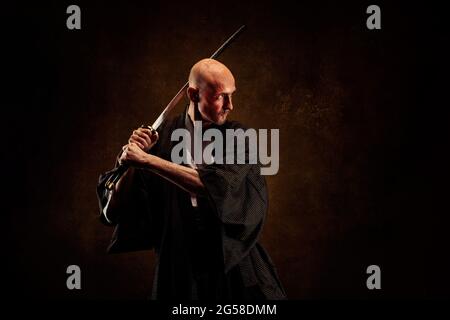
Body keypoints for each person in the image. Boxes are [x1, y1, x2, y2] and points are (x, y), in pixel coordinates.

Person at [97, 58, 286, 300]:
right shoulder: (160, 138)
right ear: (193, 94)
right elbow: (111, 212)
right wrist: (132, 161)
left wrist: (148, 161)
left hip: (232, 260)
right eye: (221, 96)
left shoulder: (240, 137)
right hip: (178, 265)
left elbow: (216, 185)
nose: (230, 105)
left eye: (232, 95)